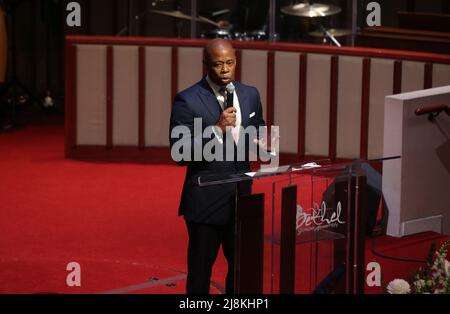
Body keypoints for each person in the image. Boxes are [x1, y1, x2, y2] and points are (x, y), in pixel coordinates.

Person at [169, 39, 266, 294]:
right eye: (218, 64)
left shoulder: (250, 94)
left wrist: (265, 144)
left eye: (230, 63)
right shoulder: (187, 100)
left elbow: (259, 133)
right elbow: (179, 153)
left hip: (242, 201)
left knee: (242, 269)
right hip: (206, 203)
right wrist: (217, 129)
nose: (225, 69)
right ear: (206, 65)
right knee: (201, 275)